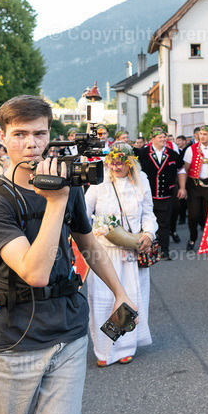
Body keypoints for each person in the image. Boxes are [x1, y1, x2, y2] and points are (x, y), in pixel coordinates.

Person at [0, 95, 134, 414]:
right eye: (20, 134)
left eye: (40, 134)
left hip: (67, 335)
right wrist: (55, 202)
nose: (31, 144)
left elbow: (88, 243)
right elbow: (34, 272)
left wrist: (120, 292)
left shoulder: (68, 186)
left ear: (51, 136)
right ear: (2, 137)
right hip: (10, 344)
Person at [84, 143, 156, 366]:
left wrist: (148, 234)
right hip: (104, 254)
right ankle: (104, 352)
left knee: (130, 300)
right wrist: (92, 231)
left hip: (132, 252)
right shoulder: (99, 182)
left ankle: (124, 346)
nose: (115, 166)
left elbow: (148, 213)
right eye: (111, 162)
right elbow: (84, 213)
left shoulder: (141, 179)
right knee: (104, 302)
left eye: (120, 162)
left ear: (129, 162)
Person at [135, 126, 186, 261]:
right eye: (160, 137)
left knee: (164, 223)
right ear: (152, 139)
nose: (163, 139)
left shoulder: (172, 153)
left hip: (166, 195)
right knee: (146, 223)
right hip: (147, 196)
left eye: (164, 137)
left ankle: (164, 250)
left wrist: (182, 188)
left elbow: (181, 170)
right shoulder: (143, 153)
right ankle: (147, 249)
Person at [183, 125, 208, 252]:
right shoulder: (191, 149)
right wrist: (183, 187)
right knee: (193, 215)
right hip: (194, 185)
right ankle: (193, 238)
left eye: (205, 134)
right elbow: (185, 169)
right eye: (201, 134)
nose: (202, 136)